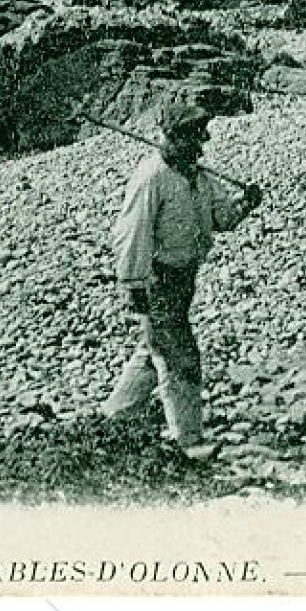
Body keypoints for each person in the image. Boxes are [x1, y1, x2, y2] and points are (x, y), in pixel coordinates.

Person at [101, 96, 261, 457]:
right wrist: (133, 285)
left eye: (202, 136)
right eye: (194, 136)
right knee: (179, 357)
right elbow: (132, 233)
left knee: (152, 350)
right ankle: (188, 440)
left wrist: (245, 203)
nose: (201, 144)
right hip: (157, 280)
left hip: (183, 279)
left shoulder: (198, 177)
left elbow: (222, 220)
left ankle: (113, 417)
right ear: (172, 137)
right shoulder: (151, 178)